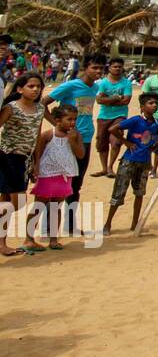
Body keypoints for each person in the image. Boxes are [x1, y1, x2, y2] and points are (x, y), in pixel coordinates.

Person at [47, 53, 104, 232]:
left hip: (85, 139)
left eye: (101, 68)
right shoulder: (71, 86)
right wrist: (60, 127)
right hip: (66, 141)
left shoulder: (95, 88)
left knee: (76, 185)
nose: (98, 71)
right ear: (85, 67)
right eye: (94, 67)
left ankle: (70, 225)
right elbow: (44, 103)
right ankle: (49, 226)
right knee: (58, 184)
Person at [0, 74, 54, 255]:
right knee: (18, 203)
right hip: (7, 158)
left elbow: (37, 137)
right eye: (31, 86)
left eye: (38, 86)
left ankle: (2, 243)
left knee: (6, 202)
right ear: (19, 89)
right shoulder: (11, 108)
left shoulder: (39, 109)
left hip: (24, 159)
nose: (35, 89)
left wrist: (36, 163)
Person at [26, 105, 84, 251]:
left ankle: (53, 239)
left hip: (64, 175)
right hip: (47, 174)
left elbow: (81, 154)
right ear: (57, 120)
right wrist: (36, 168)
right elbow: (37, 153)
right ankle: (29, 238)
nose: (73, 122)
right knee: (39, 206)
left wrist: (72, 141)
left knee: (56, 207)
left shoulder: (75, 135)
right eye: (69, 119)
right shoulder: (48, 135)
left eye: (75, 119)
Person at [105, 93, 158, 235]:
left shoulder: (157, 123)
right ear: (142, 107)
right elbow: (112, 129)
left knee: (139, 193)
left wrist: (154, 145)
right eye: (150, 103)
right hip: (129, 160)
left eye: (155, 103)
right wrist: (126, 142)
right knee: (118, 193)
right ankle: (108, 224)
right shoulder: (136, 120)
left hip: (144, 163)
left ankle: (135, 223)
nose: (154, 105)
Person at [90, 57, 132, 178]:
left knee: (116, 142)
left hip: (120, 116)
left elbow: (126, 101)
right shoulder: (102, 83)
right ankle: (104, 168)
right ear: (109, 68)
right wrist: (116, 98)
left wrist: (107, 100)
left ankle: (110, 167)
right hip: (104, 116)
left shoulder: (126, 83)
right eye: (115, 66)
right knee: (101, 142)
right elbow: (99, 100)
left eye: (119, 67)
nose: (117, 69)